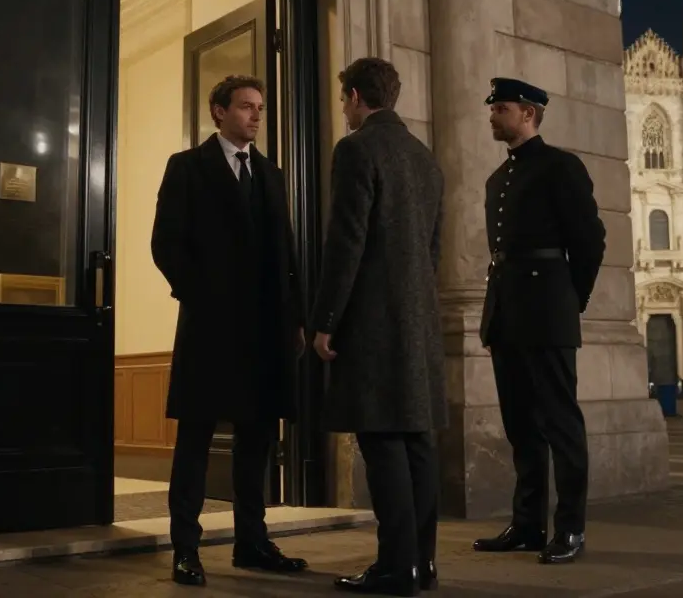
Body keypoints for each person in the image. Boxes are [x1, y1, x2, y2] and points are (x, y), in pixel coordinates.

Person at [150, 75, 309, 587]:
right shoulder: (188, 167)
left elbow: (287, 251)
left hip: (266, 332)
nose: (256, 116)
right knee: (195, 440)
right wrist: (202, 297)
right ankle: (185, 549)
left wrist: (299, 318)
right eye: (245, 107)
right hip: (210, 327)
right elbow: (165, 244)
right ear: (218, 112)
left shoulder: (270, 173)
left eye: (260, 108)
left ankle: (253, 542)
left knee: (256, 442)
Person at [311, 58, 445, 596]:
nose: (343, 109)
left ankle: (395, 568)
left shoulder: (356, 149)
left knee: (383, 443)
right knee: (417, 444)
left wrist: (325, 321)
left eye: (345, 98)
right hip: (418, 321)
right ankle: (421, 564)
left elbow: (346, 242)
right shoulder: (425, 158)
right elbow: (432, 251)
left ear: (357, 97)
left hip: (371, 321)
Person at [471, 78, 606, 565]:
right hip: (507, 315)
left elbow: (590, 242)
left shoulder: (561, 168)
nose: (492, 116)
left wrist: (572, 301)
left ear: (527, 113)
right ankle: (528, 525)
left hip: (547, 312)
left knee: (560, 425)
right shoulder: (496, 180)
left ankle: (569, 528)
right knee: (520, 427)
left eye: (500, 108)